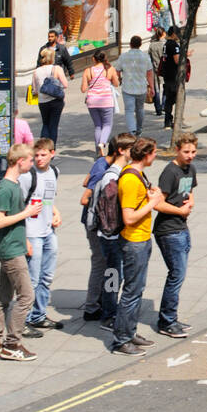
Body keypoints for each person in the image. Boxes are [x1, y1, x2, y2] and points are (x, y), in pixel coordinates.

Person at [0, 143, 43, 360]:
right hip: (10, 251)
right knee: (27, 296)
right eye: (30, 159)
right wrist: (27, 213)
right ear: (20, 161)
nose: (33, 162)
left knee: (3, 297)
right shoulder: (6, 188)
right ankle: (12, 344)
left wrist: (25, 238)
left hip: (15, 246)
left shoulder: (14, 184)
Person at [110, 138, 164, 355]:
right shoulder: (131, 180)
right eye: (155, 152)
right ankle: (121, 340)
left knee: (137, 289)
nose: (156, 155)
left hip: (141, 239)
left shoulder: (138, 174)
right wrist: (153, 203)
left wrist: (151, 195)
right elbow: (129, 217)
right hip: (133, 241)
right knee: (131, 291)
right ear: (147, 154)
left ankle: (129, 332)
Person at [87, 131, 136, 327]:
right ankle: (108, 314)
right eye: (132, 149)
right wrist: (113, 235)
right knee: (113, 275)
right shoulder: (111, 177)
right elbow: (108, 213)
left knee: (115, 274)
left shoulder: (119, 173)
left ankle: (109, 309)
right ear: (121, 150)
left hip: (112, 236)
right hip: (111, 237)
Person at [153, 131, 198, 337]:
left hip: (181, 227)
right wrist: (180, 211)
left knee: (178, 274)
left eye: (193, 151)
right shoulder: (170, 172)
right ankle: (166, 321)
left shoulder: (190, 169)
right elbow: (158, 203)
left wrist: (190, 202)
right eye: (186, 152)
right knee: (176, 275)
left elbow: (189, 192)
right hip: (168, 230)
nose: (190, 155)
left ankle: (171, 317)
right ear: (178, 150)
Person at [20, 138, 63, 334]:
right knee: (33, 279)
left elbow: (48, 199)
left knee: (47, 277)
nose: (39, 159)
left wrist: (55, 212)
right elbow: (18, 205)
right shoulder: (28, 176)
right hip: (32, 233)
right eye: (36, 155)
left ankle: (38, 315)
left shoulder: (54, 172)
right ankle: (23, 319)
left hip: (48, 231)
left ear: (52, 154)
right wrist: (25, 237)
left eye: (43, 155)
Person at [81, 49, 119, 154]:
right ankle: (102, 143)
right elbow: (116, 84)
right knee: (107, 124)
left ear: (94, 59)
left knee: (98, 126)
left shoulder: (87, 71)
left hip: (92, 101)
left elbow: (83, 89)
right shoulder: (110, 69)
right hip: (106, 100)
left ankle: (98, 151)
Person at [116, 35, 154, 136]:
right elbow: (149, 74)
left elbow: (117, 70)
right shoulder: (145, 57)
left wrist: (119, 79)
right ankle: (139, 128)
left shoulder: (123, 56)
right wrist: (152, 87)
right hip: (141, 88)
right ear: (140, 45)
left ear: (130, 44)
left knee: (129, 110)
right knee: (140, 109)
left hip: (127, 87)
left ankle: (132, 130)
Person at [30, 47, 68, 146]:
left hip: (42, 102)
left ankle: (42, 147)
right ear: (52, 57)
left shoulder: (36, 71)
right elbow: (65, 84)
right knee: (53, 126)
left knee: (45, 124)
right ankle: (51, 149)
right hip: (56, 100)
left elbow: (34, 90)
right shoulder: (57, 68)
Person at [160, 27, 180, 128]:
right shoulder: (173, 45)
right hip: (173, 76)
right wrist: (185, 56)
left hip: (167, 75)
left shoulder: (166, 44)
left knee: (168, 99)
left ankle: (168, 120)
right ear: (174, 34)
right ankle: (176, 120)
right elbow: (177, 60)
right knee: (177, 98)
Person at [148, 27, 166, 117]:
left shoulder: (152, 45)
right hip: (164, 68)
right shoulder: (165, 44)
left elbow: (149, 57)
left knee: (155, 89)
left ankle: (158, 108)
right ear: (163, 34)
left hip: (154, 68)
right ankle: (164, 105)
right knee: (165, 87)